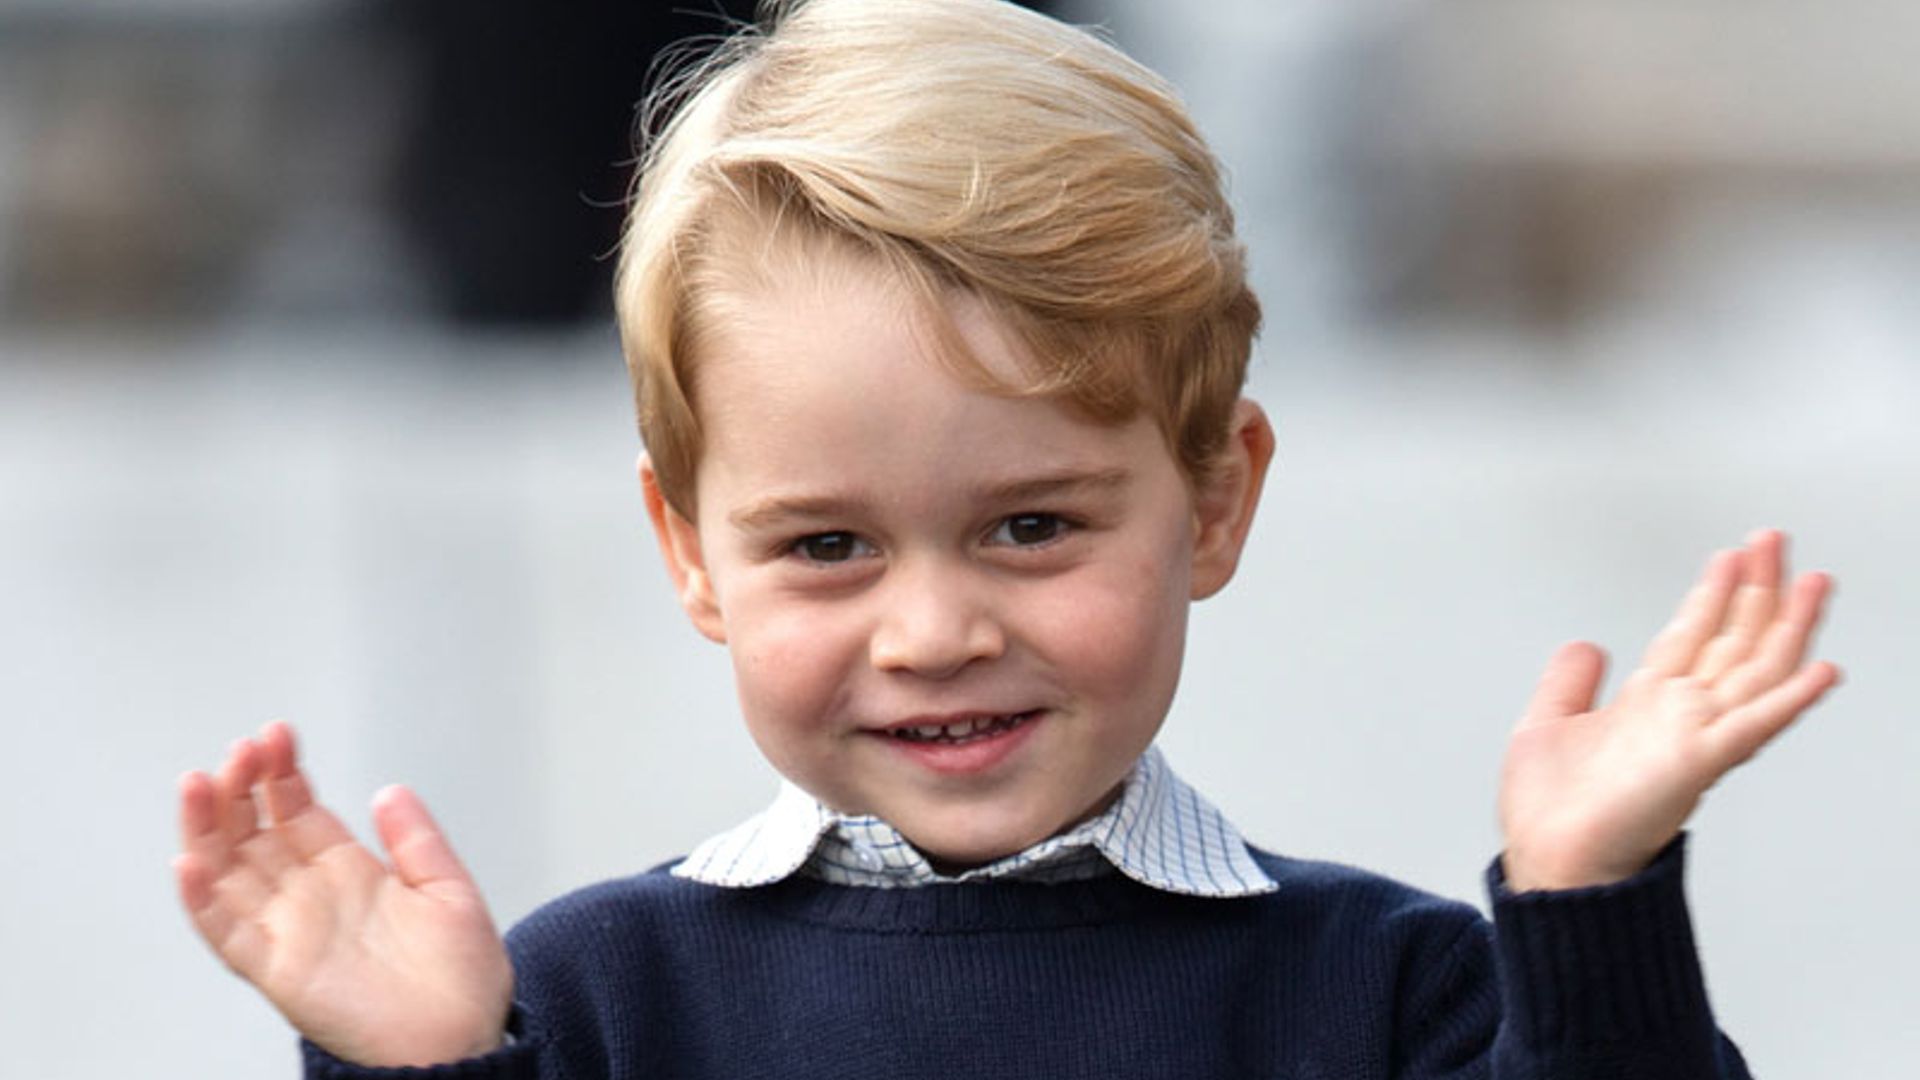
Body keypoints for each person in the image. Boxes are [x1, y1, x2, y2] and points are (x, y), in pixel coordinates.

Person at [174, 1, 1841, 1076]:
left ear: (1214, 497)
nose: (934, 631)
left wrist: (1587, 899)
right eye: (827, 548)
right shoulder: (596, 1001)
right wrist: (413, 1068)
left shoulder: (1394, 991)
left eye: (1030, 526)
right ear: (690, 553)